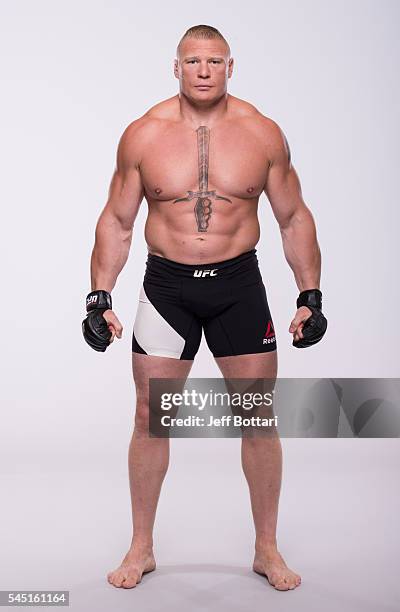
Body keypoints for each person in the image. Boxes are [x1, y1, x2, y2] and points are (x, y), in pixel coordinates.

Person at [82, 24, 327, 591]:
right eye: (193, 60)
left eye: (214, 61)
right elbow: (117, 221)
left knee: (258, 416)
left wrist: (309, 294)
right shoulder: (143, 135)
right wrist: (99, 296)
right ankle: (141, 546)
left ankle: (266, 548)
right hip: (167, 288)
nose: (203, 70)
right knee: (150, 415)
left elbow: (293, 216)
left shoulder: (262, 133)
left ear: (230, 67)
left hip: (239, 286)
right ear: (176, 67)